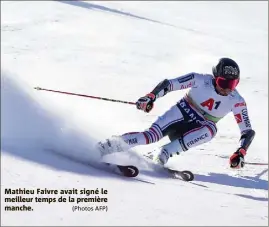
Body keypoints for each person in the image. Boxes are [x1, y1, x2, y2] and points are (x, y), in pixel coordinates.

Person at [97, 58, 255, 169]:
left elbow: (247, 131)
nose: (227, 88)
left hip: (195, 129)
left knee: (211, 129)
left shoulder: (237, 100)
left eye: (232, 84)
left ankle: (164, 153)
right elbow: (170, 85)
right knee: (149, 137)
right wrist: (151, 97)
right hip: (181, 113)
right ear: (215, 78)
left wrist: (240, 152)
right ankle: (108, 146)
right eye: (223, 82)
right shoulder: (199, 80)